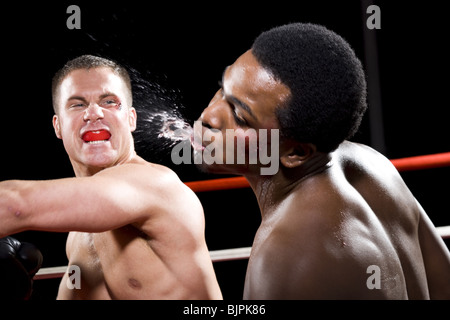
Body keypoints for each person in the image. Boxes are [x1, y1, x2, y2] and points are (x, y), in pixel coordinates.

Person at [194, 23, 450, 299]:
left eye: (241, 118)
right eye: (222, 88)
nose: (210, 116)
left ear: (295, 153)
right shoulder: (374, 164)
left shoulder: (288, 252)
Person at [0, 55, 222, 300]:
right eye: (77, 104)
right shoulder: (77, 237)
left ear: (131, 118)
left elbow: (14, 205)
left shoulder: (153, 184)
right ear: (58, 126)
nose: (93, 113)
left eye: (109, 101)